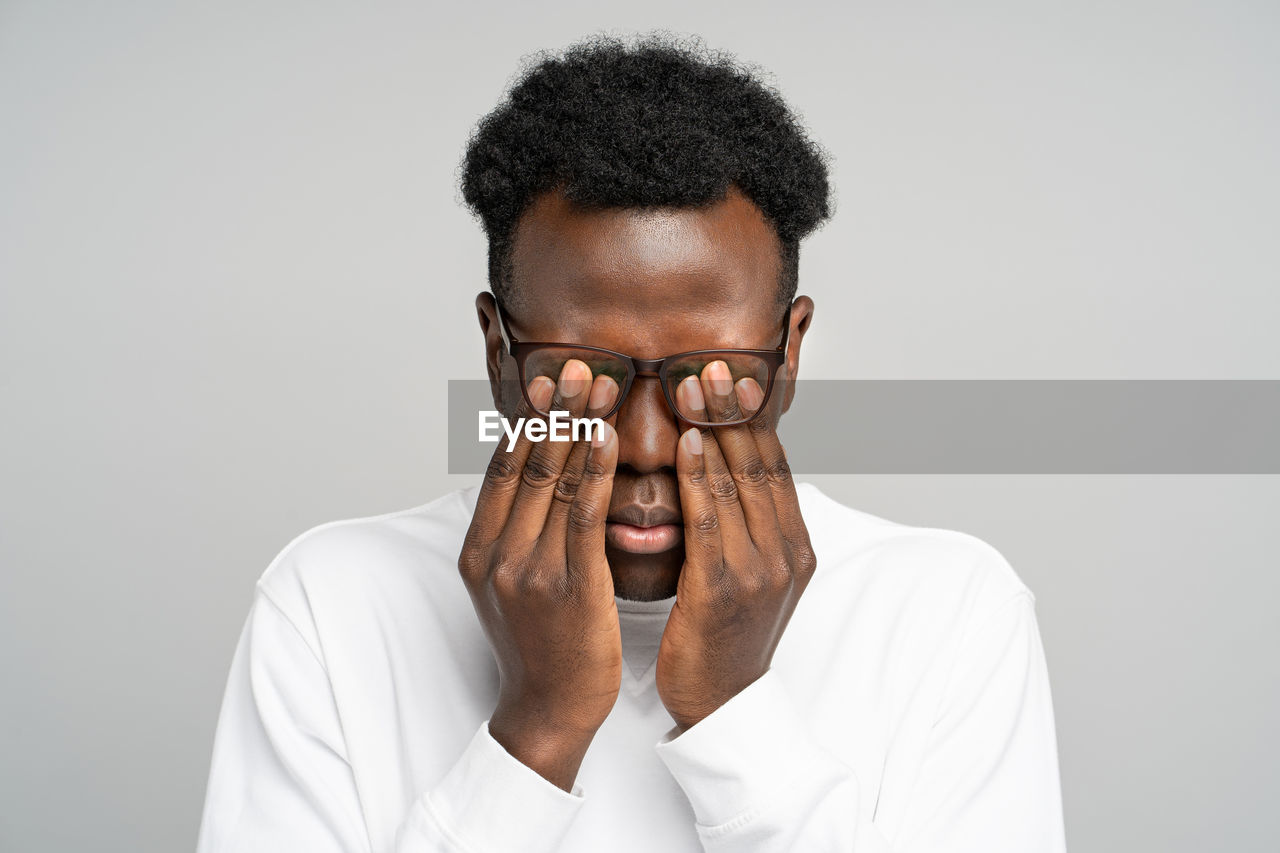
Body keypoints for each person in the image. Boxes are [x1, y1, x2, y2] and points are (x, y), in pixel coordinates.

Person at [197, 35, 1066, 853]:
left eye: (712, 375)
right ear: (499, 355)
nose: (647, 443)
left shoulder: (950, 613)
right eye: (582, 375)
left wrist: (734, 713)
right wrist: (537, 726)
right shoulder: (332, 605)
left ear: (790, 352)